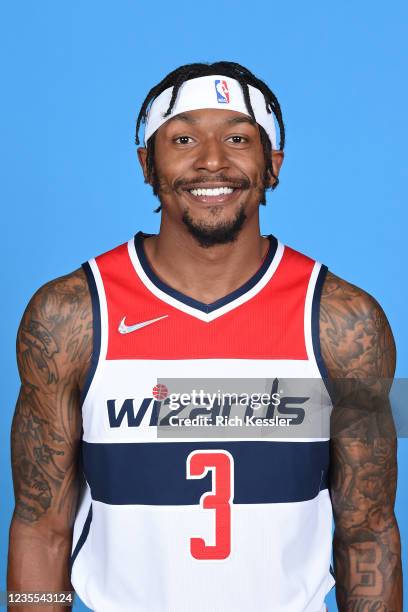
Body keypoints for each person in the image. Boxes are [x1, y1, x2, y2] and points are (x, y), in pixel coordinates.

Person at [8, 61, 402, 611]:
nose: (211, 160)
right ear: (147, 164)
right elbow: (41, 526)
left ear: (273, 165)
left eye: (238, 138)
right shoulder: (70, 315)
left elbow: (368, 532)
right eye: (184, 138)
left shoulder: (345, 321)